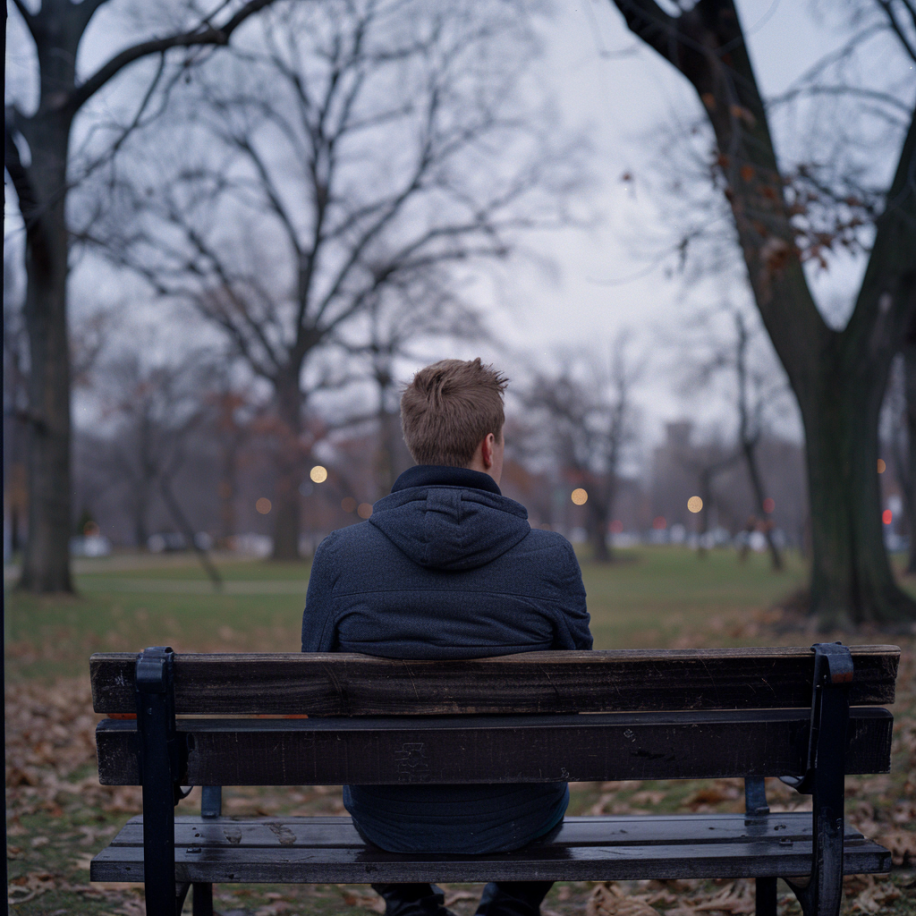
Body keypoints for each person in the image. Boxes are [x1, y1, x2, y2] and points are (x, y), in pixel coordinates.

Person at [302, 358, 592, 916]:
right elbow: (575, 702)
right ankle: (510, 904)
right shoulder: (551, 559)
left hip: (388, 815)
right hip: (520, 814)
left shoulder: (338, 558)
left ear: (416, 445)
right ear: (489, 447)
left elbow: (319, 709)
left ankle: (411, 905)